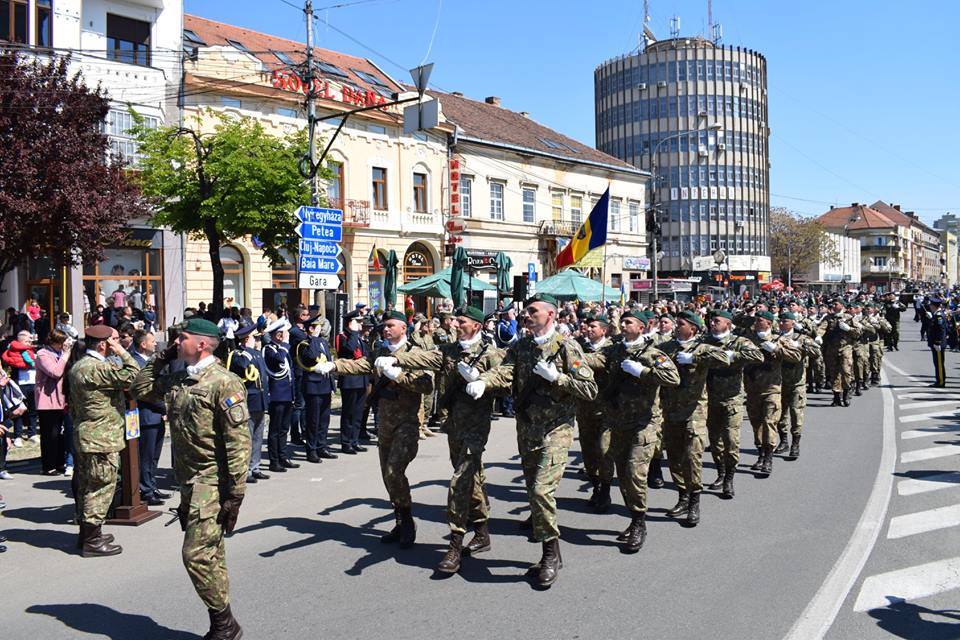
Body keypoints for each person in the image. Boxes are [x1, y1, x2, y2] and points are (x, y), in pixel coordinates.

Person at [131, 317, 250, 640]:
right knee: (211, 553)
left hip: (212, 483)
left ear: (201, 344)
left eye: (180, 338)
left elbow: (239, 442)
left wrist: (236, 494)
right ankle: (222, 624)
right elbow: (139, 389)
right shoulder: (179, 378)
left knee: (195, 554)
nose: (173, 343)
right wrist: (161, 359)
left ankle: (225, 622)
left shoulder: (224, 382)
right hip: (188, 482)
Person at [472, 293, 598, 588]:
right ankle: (551, 553)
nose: (526, 315)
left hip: (557, 429)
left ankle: (550, 555)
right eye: (526, 310)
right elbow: (506, 371)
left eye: (532, 311)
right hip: (527, 429)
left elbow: (590, 389)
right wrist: (483, 381)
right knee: (533, 491)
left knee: (542, 491)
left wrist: (559, 379)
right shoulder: (523, 345)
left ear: (551, 315)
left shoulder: (568, 348)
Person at [382, 306, 501, 573]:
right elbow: (425, 358)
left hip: (476, 428)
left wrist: (483, 381)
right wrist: (396, 361)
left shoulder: (491, 354)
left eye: (461, 321)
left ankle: (455, 545)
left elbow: (507, 384)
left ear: (477, 326)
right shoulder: (449, 350)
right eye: (456, 320)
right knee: (472, 478)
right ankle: (482, 531)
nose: (455, 324)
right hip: (454, 425)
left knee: (459, 481)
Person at [318, 310, 433, 550]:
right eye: (384, 326)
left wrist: (397, 375)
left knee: (394, 470)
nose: (385, 329)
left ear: (404, 328)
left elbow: (426, 386)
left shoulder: (415, 354)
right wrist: (333, 365)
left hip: (407, 423)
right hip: (385, 423)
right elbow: (361, 364)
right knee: (387, 475)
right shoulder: (380, 351)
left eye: (391, 325)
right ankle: (399, 521)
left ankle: (408, 521)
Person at [582, 309, 679, 553]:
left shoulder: (652, 354)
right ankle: (634, 517)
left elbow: (672, 377)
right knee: (624, 475)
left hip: (643, 424)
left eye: (628, 322)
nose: (623, 325)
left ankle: (638, 522)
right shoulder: (613, 351)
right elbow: (594, 360)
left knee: (635, 472)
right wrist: (573, 356)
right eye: (622, 321)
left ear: (643, 328)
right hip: (617, 422)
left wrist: (643, 371)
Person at [68, 325, 139, 557]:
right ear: (102, 344)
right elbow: (134, 374)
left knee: (88, 486)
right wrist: (122, 352)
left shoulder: (82, 365)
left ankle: (87, 534)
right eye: (112, 341)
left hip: (89, 435)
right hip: (100, 438)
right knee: (100, 488)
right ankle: (92, 541)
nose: (115, 345)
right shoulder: (95, 367)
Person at [658, 311, 729, 526]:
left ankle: (694, 501)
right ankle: (682, 495)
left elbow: (724, 358)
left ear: (693, 329)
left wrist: (695, 358)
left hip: (694, 413)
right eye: (676, 323)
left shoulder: (702, 347)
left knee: (692, 457)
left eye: (680, 324)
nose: (676, 327)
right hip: (669, 411)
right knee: (675, 457)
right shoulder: (666, 348)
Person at [703, 309, 763, 498]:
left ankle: (729, 478)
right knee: (715, 441)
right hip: (710, 398)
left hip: (732, 398)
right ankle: (720, 473)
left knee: (731, 440)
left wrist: (734, 356)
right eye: (711, 321)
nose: (712, 324)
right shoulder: (704, 342)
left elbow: (758, 356)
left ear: (728, 324)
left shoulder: (739, 342)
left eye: (717, 321)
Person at [743, 311, 803, 476]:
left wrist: (776, 349)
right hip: (752, 389)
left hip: (772, 389)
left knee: (769, 422)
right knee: (756, 424)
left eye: (760, 320)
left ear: (769, 323)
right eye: (755, 319)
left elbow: (796, 355)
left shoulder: (779, 339)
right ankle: (761, 454)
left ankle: (768, 458)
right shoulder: (748, 339)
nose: (756, 322)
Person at [575, 313, 616, 511]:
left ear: (604, 330)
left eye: (593, 326)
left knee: (604, 450)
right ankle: (596, 486)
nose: (588, 329)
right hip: (584, 409)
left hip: (607, 410)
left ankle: (606, 491)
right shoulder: (580, 347)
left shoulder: (612, 348)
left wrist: (572, 355)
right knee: (589, 452)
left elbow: (599, 362)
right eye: (587, 326)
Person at [228, 325, 271, 484]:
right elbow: (242, 367)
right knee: (247, 438)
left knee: (258, 436)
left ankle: (255, 467)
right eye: (255, 337)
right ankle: (244, 470)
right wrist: (248, 351)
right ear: (247, 339)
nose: (258, 340)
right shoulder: (239, 354)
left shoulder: (257, 354)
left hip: (259, 400)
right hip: (249, 400)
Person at [130, 330, 169, 505]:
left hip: (157, 415)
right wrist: (165, 408)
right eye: (152, 341)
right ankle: (145, 489)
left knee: (154, 456)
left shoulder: (152, 362)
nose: (155, 344)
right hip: (146, 415)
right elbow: (145, 393)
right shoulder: (136, 363)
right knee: (145, 456)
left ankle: (151, 485)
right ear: (143, 344)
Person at [296, 313, 336, 461]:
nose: (321, 328)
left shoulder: (323, 342)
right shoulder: (306, 343)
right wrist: (311, 337)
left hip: (325, 384)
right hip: (313, 386)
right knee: (313, 420)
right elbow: (311, 357)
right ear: (311, 328)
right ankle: (311, 449)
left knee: (324, 419)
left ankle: (321, 446)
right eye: (317, 326)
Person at [34, 329, 73, 475]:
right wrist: (66, 355)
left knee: (61, 434)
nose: (64, 346)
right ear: (54, 342)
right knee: (50, 434)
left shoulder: (60, 354)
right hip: (47, 401)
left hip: (62, 399)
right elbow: (55, 372)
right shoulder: (43, 354)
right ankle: (48, 466)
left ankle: (59, 462)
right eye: (62, 343)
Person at [262, 319, 296, 473]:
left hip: (287, 394)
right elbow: (279, 361)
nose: (285, 336)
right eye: (283, 333)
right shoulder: (269, 349)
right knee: (275, 429)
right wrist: (284, 345)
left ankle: (283, 457)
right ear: (278, 334)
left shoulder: (281, 348)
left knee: (284, 429)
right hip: (277, 395)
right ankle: (274, 460)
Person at [335, 311, 369, 452]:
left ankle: (354, 440)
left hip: (361, 379)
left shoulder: (359, 338)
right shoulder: (343, 337)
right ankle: (346, 442)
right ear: (351, 323)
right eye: (358, 322)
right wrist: (354, 333)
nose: (361, 325)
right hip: (349, 380)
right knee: (348, 412)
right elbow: (348, 349)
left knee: (358, 412)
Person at [2, 331, 38, 446]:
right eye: (28, 340)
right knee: (19, 410)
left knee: (33, 409)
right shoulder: (12, 352)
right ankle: (17, 435)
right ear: (21, 341)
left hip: (33, 383)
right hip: (18, 384)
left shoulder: (32, 351)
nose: (30, 341)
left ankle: (32, 433)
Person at [927, 297, 949, 387]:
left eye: (931, 305)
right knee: (937, 362)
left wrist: (937, 342)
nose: (930, 306)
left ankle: (941, 381)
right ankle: (939, 380)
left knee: (939, 363)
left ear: (933, 306)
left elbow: (940, 330)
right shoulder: (936, 314)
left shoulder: (938, 315)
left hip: (938, 343)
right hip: (936, 342)